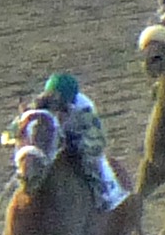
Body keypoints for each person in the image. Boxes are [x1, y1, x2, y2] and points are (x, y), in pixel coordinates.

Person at [32, 72, 131, 210]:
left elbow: (94, 136)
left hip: (81, 136)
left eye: (61, 103)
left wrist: (72, 139)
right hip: (55, 136)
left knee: (92, 158)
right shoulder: (42, 102)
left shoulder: (84, 107)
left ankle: (106, 190)